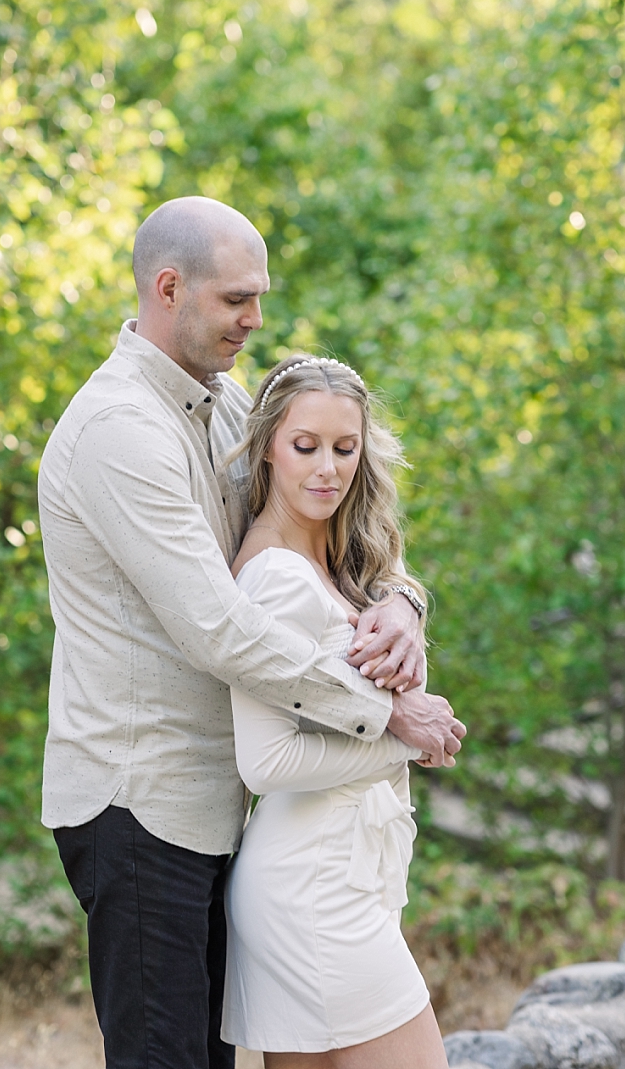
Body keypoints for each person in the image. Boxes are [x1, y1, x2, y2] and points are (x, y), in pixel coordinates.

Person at [38, 196, 464, 1069]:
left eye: (257, 297)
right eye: (237, 299)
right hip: (141, 800)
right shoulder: (121, 430)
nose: (255, 319)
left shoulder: (226, 407)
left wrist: (405, 601)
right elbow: (218, 628)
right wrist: (388, 719)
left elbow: (322, 523)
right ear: (169, 288)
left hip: (226, 810)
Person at [221, 355, 445, 1067]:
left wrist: (406, 604)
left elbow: (387, 594)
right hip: (313, 892)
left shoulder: (335, 565)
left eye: (344, 448)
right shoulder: (278, 579)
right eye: (305, 446)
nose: (327, 468)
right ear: (266, 449)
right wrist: (402, 738)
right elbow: (266, 759)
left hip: (333, 877)